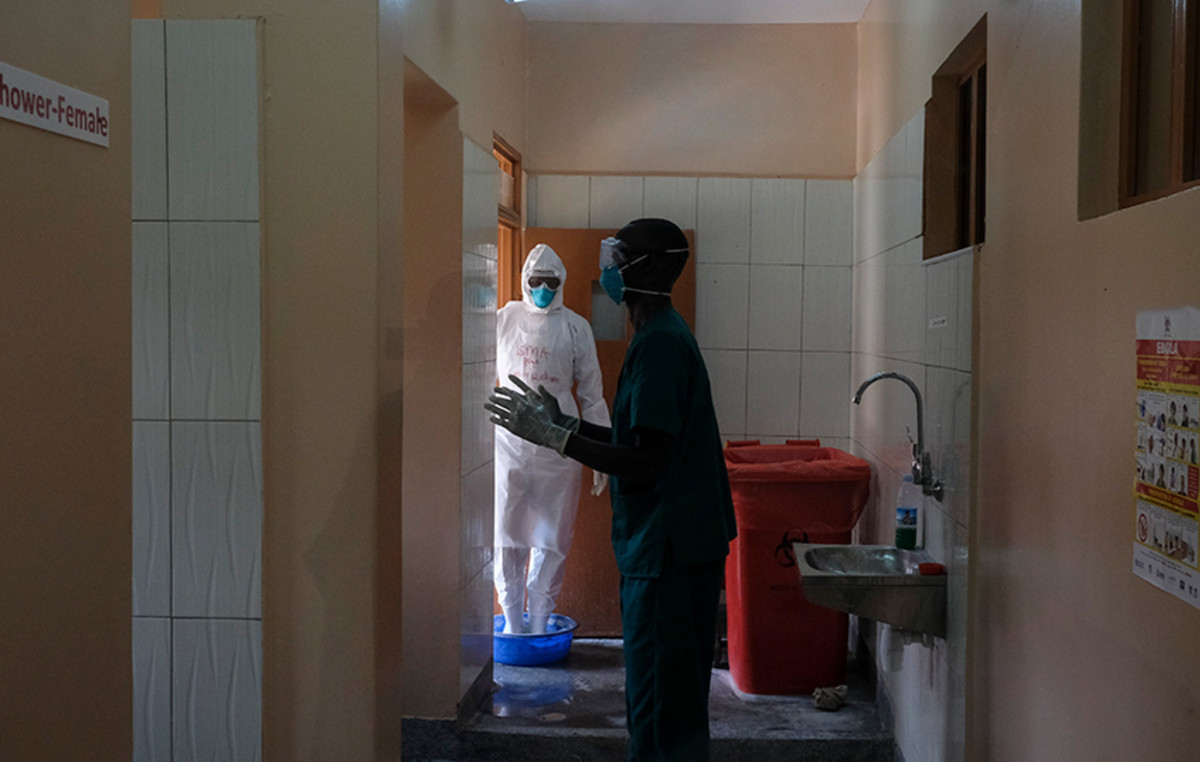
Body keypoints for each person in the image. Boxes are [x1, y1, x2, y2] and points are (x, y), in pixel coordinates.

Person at [487, 218, 737, 762]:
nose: (608, 269)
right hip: (669, 547)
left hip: (669, 552)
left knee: (662, 709)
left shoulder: (660, 344)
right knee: (659, 697)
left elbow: (646, 460)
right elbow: (635, 436)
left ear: (647, 268)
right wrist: (565, 423)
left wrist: (558, 439)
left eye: (617, 257)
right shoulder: (655, 335)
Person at [494, 243, 611, 635]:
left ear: (561, 282)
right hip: (509, 445)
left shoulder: (576, 327)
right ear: (524, 281)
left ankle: (541, 623)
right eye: (536, 281)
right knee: (507, 535)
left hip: (560, 447)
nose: (543, 289)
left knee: (552, 537)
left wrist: (601, 454)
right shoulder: (504, 319)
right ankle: (513, 624)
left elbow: (592, 395)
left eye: (551, 282)